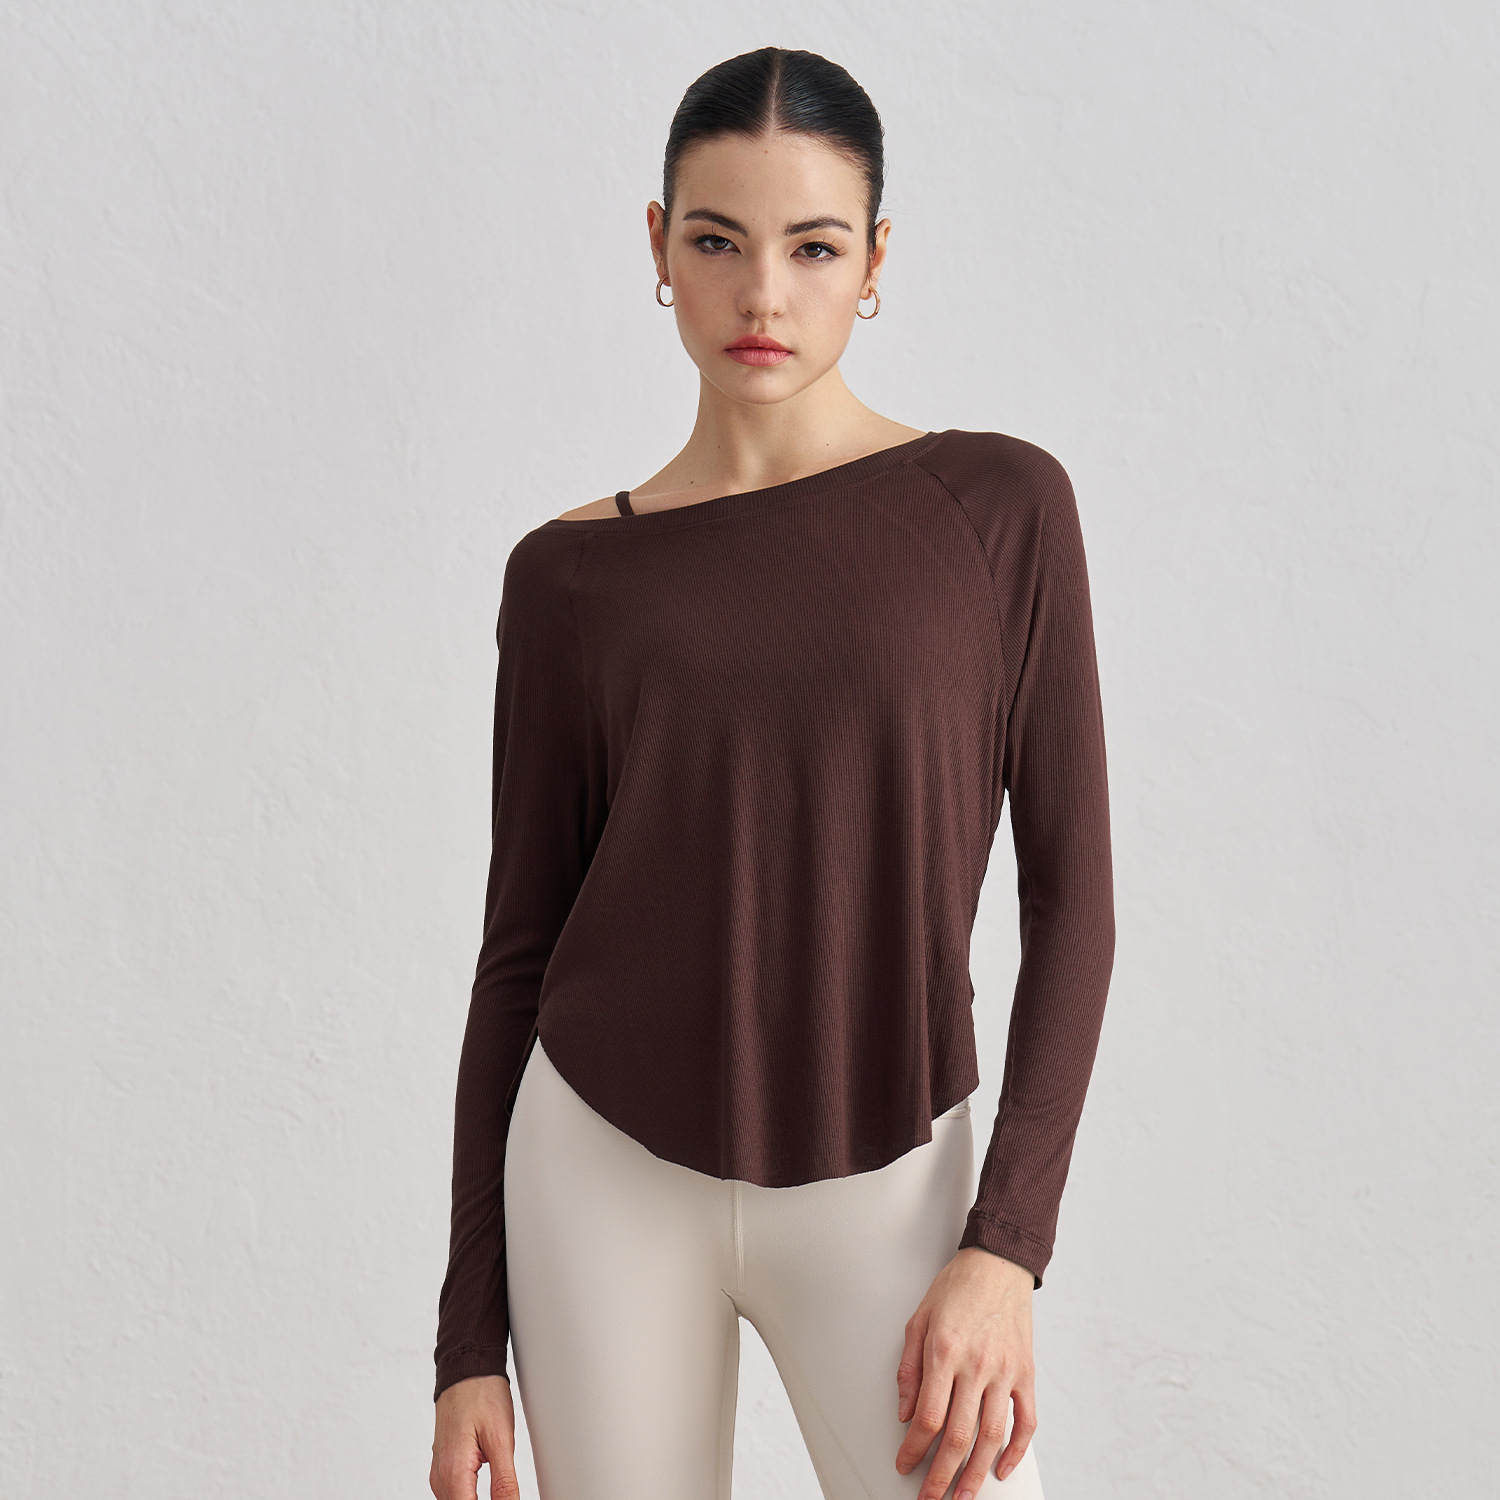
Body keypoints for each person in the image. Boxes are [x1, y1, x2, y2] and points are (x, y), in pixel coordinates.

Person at [429, 45, 1114, 1500]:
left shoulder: (997, 509)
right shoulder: (566, 578)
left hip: (893, 1174)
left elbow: (1075, 904)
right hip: (601, 1169)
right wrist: (466, 1339)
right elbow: (519, 951)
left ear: (876, 258)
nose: (762, 296)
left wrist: (1006, 1249)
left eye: (812, 247)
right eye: (717, 241)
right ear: (658, 248)